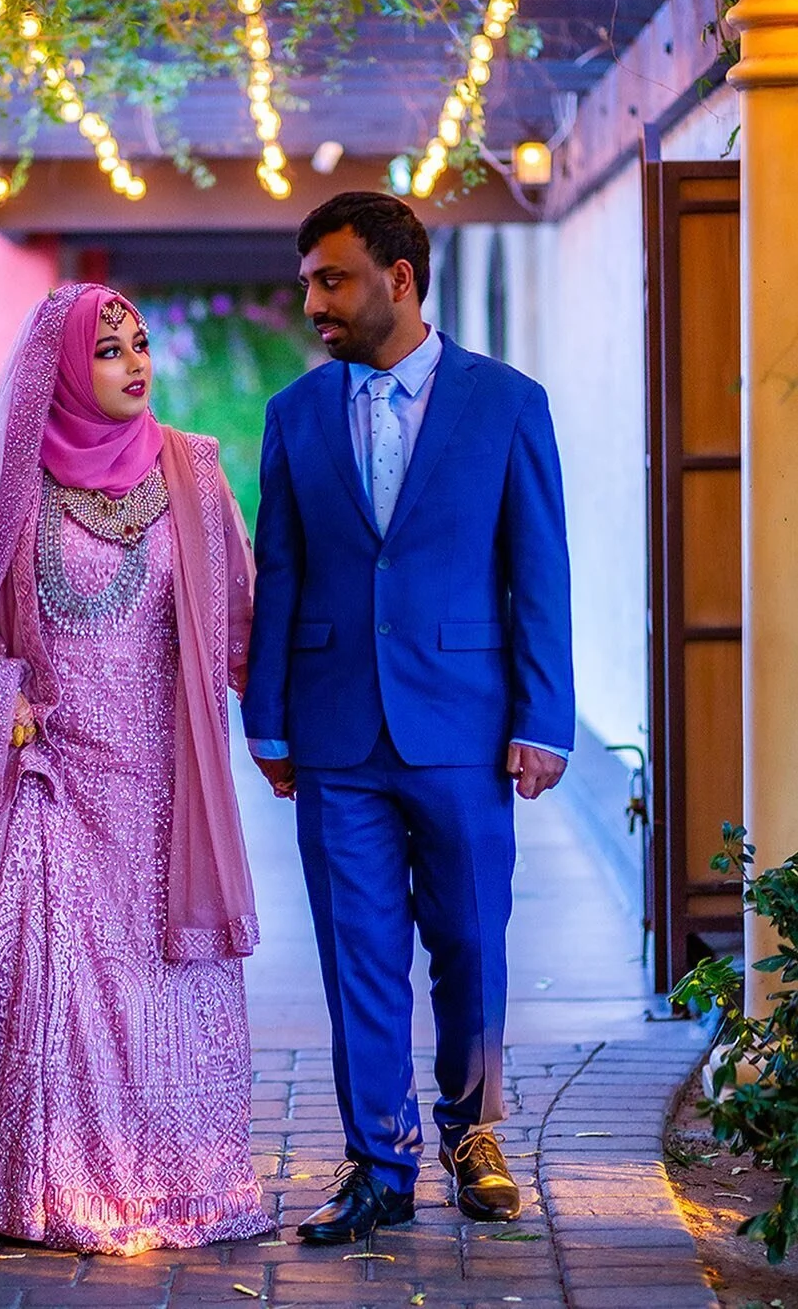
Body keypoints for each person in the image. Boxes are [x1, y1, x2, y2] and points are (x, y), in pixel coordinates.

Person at [0, 284, 272, 1256]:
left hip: (166, 789)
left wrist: (286, 734)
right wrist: (4, 707)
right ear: (62, 369)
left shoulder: (195, 475)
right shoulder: (19, 484)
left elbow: (244, 618)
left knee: (156, 988)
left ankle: (168, 1174)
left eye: (140, 344)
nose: (135, 362)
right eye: (109, 349)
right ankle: (44, 1181)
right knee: (65, 996)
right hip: (53, 784)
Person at [243, 192, 574, 1244]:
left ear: (400, 276)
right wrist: (269, 721)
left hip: (467, 727)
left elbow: (540, 570)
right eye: (308, 283)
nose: (314, 302)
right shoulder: (296, 414)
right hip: (334, 730)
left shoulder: (508, 403)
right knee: (359, 953)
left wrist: (546, 717)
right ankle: (377, 1162)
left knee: (472, 938)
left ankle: (473, 1134)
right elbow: (282, 570)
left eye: (331, 279)